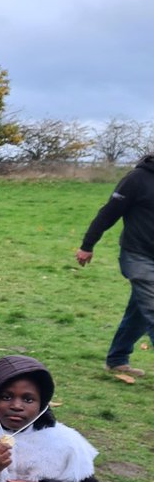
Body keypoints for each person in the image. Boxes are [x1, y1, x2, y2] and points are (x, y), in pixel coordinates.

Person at [76, 153, 154, 376]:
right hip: (138, 255)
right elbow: (109, 212)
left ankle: (117, 359)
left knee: (140, 311)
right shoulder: (137, 178)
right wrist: (87, 245)